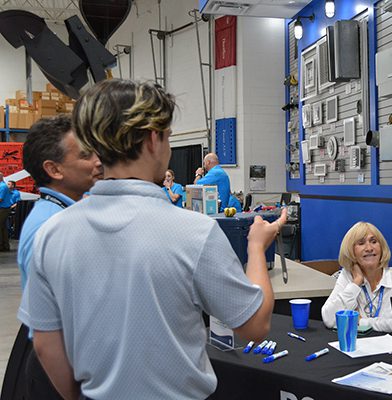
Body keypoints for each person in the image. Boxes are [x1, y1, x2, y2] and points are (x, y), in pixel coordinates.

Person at [18, 79, 286, 400]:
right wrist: (256, 247)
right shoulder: (193, 232)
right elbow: (254, 326)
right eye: (169, 136)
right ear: (153, 139)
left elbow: (47, 343)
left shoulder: (52, 233)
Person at [17, 114, 103, 400]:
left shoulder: (60, 216)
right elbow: (48, 333)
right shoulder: (51, 226)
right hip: (57, 367)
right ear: (53, 169)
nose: (97, 162)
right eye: (85, 155)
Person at [321, 222, 392, 333]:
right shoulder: (348, 276)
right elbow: (329, 319)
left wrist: (363, 322)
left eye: (374, 241)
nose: (369, 248)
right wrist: (356, 283)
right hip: (357, 347)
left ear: (381, 247)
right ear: (351, 252)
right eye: (361, 243)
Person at [0, 172, 11, 251]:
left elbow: (0, 199)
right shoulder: (2, 186)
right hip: (3, 208)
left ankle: (1, 245)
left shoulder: (2, 186)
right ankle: (5, 246)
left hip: (3, 209)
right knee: (3, 228)